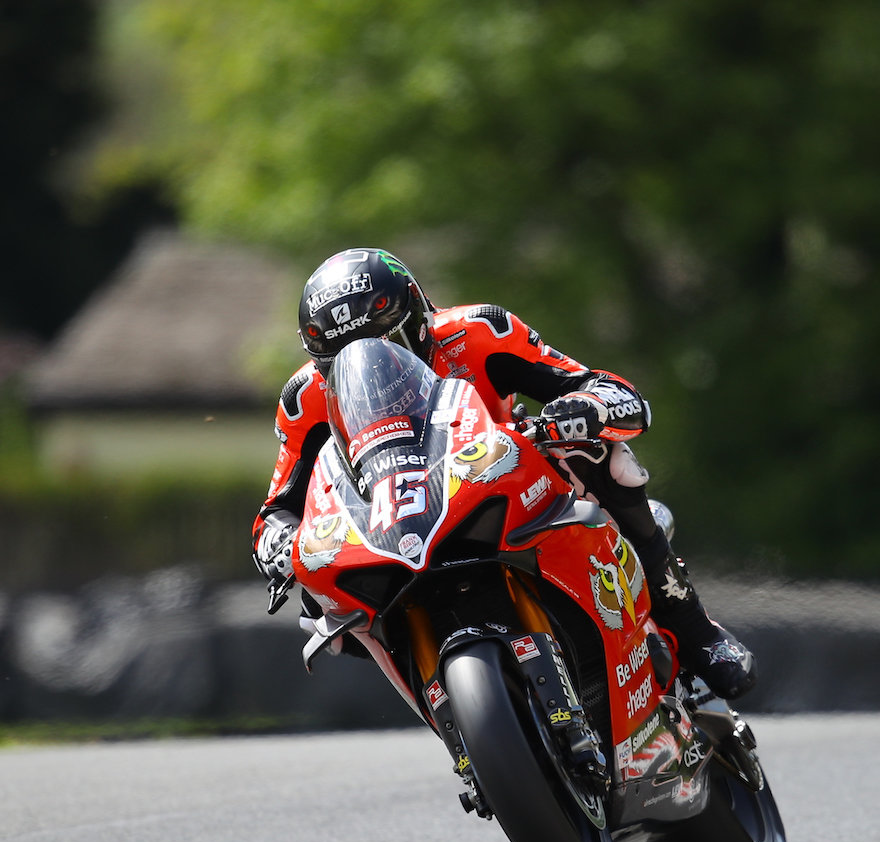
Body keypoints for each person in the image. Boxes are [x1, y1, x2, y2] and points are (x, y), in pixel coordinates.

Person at [251, 247, 756, 697]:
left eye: (389, 344)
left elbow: (602, 387)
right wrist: (277, 540)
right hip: (394, 521)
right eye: (342, 360)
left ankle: (694, 628)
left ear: (421, 317)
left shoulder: (478, 331)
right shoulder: (305, 400)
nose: (376, 370)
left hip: (505, 484)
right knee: (319, 602)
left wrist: (583, 409)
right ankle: (456, 714)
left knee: (602, 456)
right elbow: (278, 507)